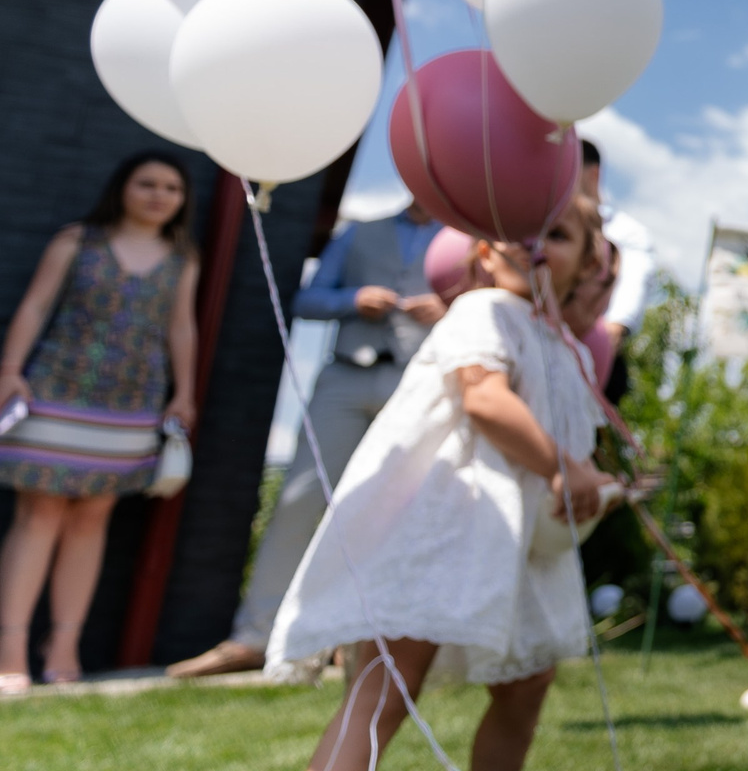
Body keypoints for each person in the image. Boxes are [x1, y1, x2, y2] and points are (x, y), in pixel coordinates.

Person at [263, 200, 611, 771]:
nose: (533, 242)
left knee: (528, 681)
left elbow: (570, 441)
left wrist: (586, 481)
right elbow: (484, 399)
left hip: (511, 543)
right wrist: (565, 467)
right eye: (517, 227)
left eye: (557, 234)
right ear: (482, 253)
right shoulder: (482, 311)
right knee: (389, 680)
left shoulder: (565, 347)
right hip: (445, 526)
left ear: (584, 262)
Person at [168, 201, 445, 680]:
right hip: (346, 376)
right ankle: (255, 636)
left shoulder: (468, 240)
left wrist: (448, 309)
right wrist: (352, 300)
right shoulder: (359, 232)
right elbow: (308, 300)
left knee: (395, 510)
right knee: (299, 497)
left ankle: (356, 641)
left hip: (421, 381)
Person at [0, 154, 200, 692]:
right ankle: (10, 649)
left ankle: (63, 646)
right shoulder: (76, 242)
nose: (159, 195)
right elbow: (36, 306)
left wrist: (184, 392)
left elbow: (181, 328)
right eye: (147, 183)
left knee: (93, 518)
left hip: (132, 402)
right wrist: (10, 370)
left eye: (172, 188)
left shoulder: (183, 258)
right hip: (55, 391)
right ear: (123, 188)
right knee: (38, 513)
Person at [577, 140, 653, 402]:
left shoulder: (625, 232)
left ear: (592, 174)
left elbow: (635, 281)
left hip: (597, 352)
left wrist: (615, 328)